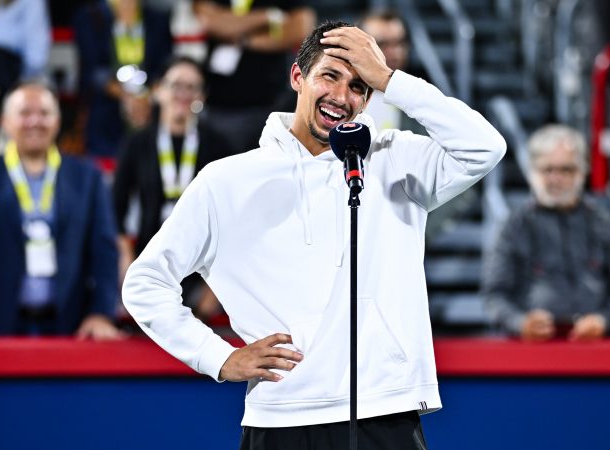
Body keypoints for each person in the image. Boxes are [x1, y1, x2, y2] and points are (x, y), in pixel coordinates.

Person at [122, 21, 505, 449]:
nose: (342, 97)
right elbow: (145, 283)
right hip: (280, 416)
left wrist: (390, 80)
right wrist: (219, 358)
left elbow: (484, 147)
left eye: (359, 86)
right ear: (297, 77)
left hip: (384, 410)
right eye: (330, 75)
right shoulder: (226, 180)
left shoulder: (396, 158)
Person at [0, 83, 122, 341]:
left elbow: (105, 252)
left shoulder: (87, 177)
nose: (35, 121)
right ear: (4, 122)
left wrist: (101, 313)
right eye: (25, 113)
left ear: (57, 121)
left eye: (44, 113)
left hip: (71, 326)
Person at [482, 124, 610, 342]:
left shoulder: (606, 224)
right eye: (547, 169)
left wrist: (604, 321)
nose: (556, 178)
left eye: (566, 170)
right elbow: (494, 297)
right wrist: (521, 322)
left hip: (597, 349)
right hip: (529, 352)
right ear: (532, 172)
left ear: (583, 171)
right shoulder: (512, 227)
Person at [113, 56, 229, 318]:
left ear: (203, 95)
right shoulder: (138, 144)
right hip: (148, 262)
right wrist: (127, 263)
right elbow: (115, 209)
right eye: (176, 85)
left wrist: (216, 286)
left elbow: (232, 219)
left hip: (202, 270)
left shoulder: (218, 146)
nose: (184, 94)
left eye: (193, 87)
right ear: (158, 90)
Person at [193, 0, 315, 156]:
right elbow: (209, 21)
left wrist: (241, 37)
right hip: (214, 105)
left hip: (266, 105)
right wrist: (268, 16)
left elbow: (300, 29)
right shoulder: (270, 10)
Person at [72, 0, 172, 157]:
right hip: (105, 117)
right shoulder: (90, 16)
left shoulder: (158, 18)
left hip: (150, 113)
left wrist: (147, 99)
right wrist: (127, 97)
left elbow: (165, 68)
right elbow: (92, 70)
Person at [0, 0, 51, 156]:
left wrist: (18, 94)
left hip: (9, 86)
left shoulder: (30, 3)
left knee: (2, 151)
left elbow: (36, 57)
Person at [358, 9, 422, 134]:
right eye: (382, 44)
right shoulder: (341, 98)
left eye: (400, 43)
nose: (395, 52)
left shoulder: (419, 98)